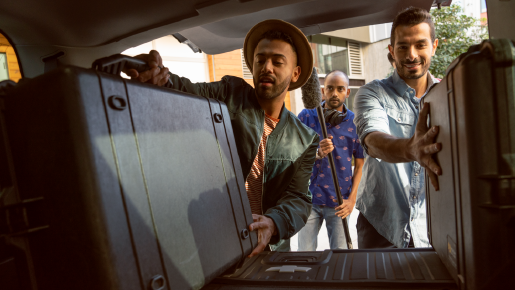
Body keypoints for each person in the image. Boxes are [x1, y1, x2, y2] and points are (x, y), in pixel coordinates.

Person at [126, 19, 319, 257]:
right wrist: (162, 79)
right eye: (260, 60)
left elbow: (298, 198)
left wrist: (272, 223)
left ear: (295, 73)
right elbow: (188, 90)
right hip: (212, 240)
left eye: (278, 62)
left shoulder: (305, 139)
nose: (266, 67)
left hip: (267, 249)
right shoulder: (229, 93)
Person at [353, 7, 442, 249]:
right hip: (380, 227)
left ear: (434, 46)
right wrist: (411, 149)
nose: (411, 55)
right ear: (391, 51)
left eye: (420, 45)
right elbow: (372, 139)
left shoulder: (449, 96)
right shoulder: (371, 93)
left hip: (432, 228)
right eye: (402, 46)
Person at [296, 70, 364, 250]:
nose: (335, 93)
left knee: (340, 259)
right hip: (307, 199)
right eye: (330, 88)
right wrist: (316, 153)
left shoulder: (356, 122)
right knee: (304, 255)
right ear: (322, 91)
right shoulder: (306, 117)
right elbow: (292, 154)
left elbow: (360, 165)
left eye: (340, 89)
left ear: (347, 92)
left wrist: (352, 200)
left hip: (339, 203)